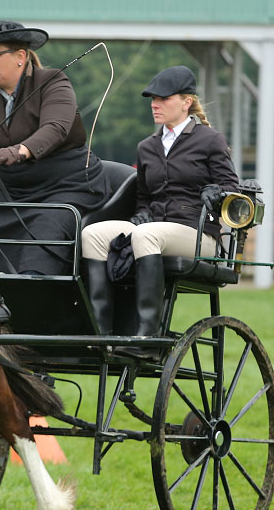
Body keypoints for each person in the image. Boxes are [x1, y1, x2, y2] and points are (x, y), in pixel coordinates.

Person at [80, 65, 239, 358]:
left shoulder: (209, 140)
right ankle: (100, 335)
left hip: (198, 234)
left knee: (146, 235)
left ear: (186, 102)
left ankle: (148, 339)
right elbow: (143, 198)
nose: (155, 104)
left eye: (163, 99)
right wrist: (141, 214)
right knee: (93, 235)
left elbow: (232, 190)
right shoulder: (147, 147)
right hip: (153, 231)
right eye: (153, 99)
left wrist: (217, 194)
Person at [0, 20, 110, 276]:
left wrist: (20, 150)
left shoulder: (53, 82)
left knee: (44, 233)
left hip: (66, 187)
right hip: (12, 191)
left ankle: (34, 299)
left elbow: (56, 128)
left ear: (20, 56)